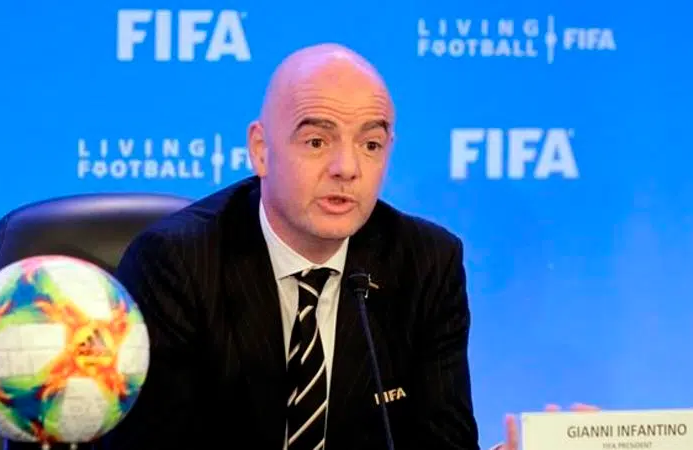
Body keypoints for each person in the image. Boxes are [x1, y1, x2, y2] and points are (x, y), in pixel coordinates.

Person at [101, 43, 593, 450]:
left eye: (370, 145)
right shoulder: (177, 263)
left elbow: (442, 442)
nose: (347, 168)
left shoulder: (427, 263)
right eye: (317, 142)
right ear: (261, 150)